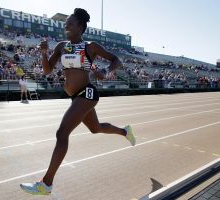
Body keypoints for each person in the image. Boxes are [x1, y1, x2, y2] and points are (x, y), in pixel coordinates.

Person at [20, 8, 136, 195]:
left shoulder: (91, 46)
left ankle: (46, 183)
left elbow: (116, 60)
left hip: (87, 93)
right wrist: (43, 53)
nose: (66, 24)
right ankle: (125, 131)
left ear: (81, 27)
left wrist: (106, 72)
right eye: (66, 22)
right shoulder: (61, 46)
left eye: (71, 22)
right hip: (76, 97)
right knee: (95, 128)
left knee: (62, 133)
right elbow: (48, 70)